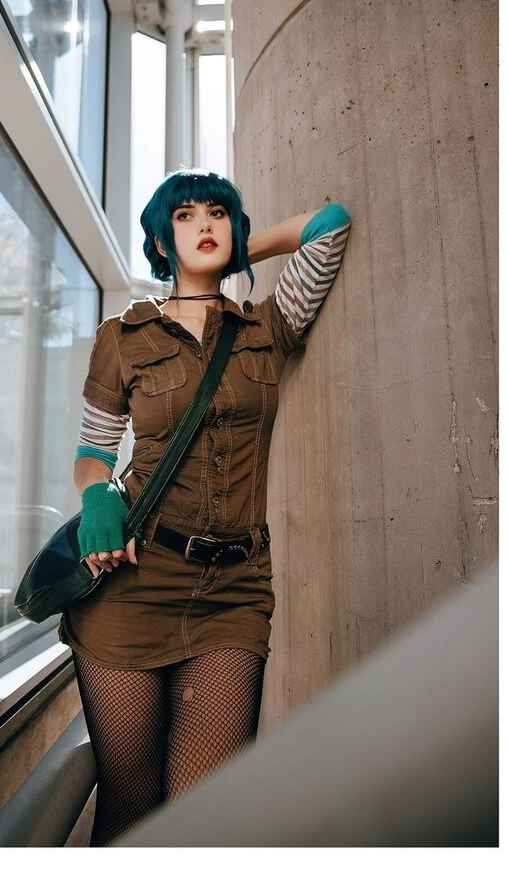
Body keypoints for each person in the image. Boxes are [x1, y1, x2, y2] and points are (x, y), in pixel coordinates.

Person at [58, 169, 350, 846]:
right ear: (161, 243)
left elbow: (329, 225)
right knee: (131, 804)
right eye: (184, 216)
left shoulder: (270, 325)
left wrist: (244, 246)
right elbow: (93, 450)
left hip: (234, 592)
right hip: (133, 583)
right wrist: (97, 497)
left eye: (218, 213)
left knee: (203, 815)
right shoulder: (122, 337)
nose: (204, 224)